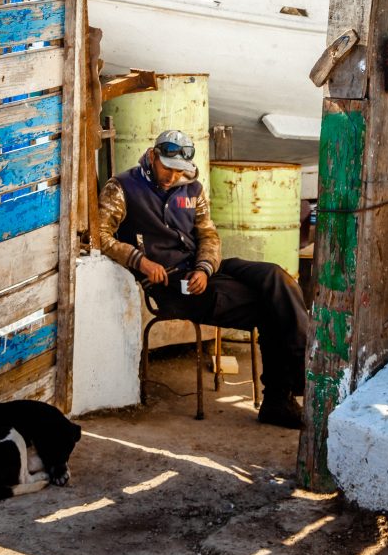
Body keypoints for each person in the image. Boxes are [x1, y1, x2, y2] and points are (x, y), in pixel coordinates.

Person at [98, 129, 308, 428]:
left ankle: (299, 373)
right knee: (270, 308)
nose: (172, 176)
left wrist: (205, 267)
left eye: (178, 169)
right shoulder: (121, 187)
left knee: (275, 277)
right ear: (153, 156)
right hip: (170, 283)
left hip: (203, 271)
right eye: (167, 167)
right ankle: (281, 398)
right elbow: (101, 236)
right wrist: (140, 261)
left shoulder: (192, 188)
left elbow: (207, 234)